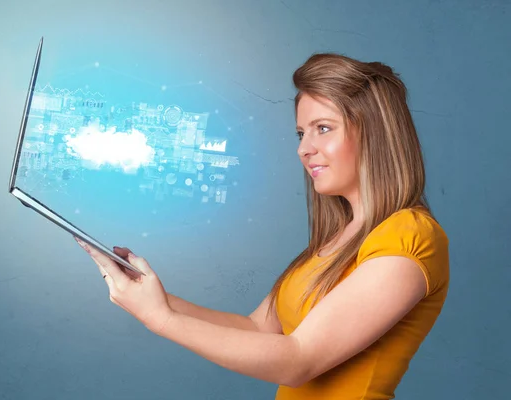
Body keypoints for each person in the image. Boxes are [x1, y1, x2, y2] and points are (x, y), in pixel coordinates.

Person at [74, 52, 449, 400]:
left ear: (375, 133)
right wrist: (152, 295)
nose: (304, 149)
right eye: (302, 133)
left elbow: (298, 360)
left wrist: (160, 319)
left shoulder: (411, 236)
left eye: (323, 128)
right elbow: (256, 329)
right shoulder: (337, 240)